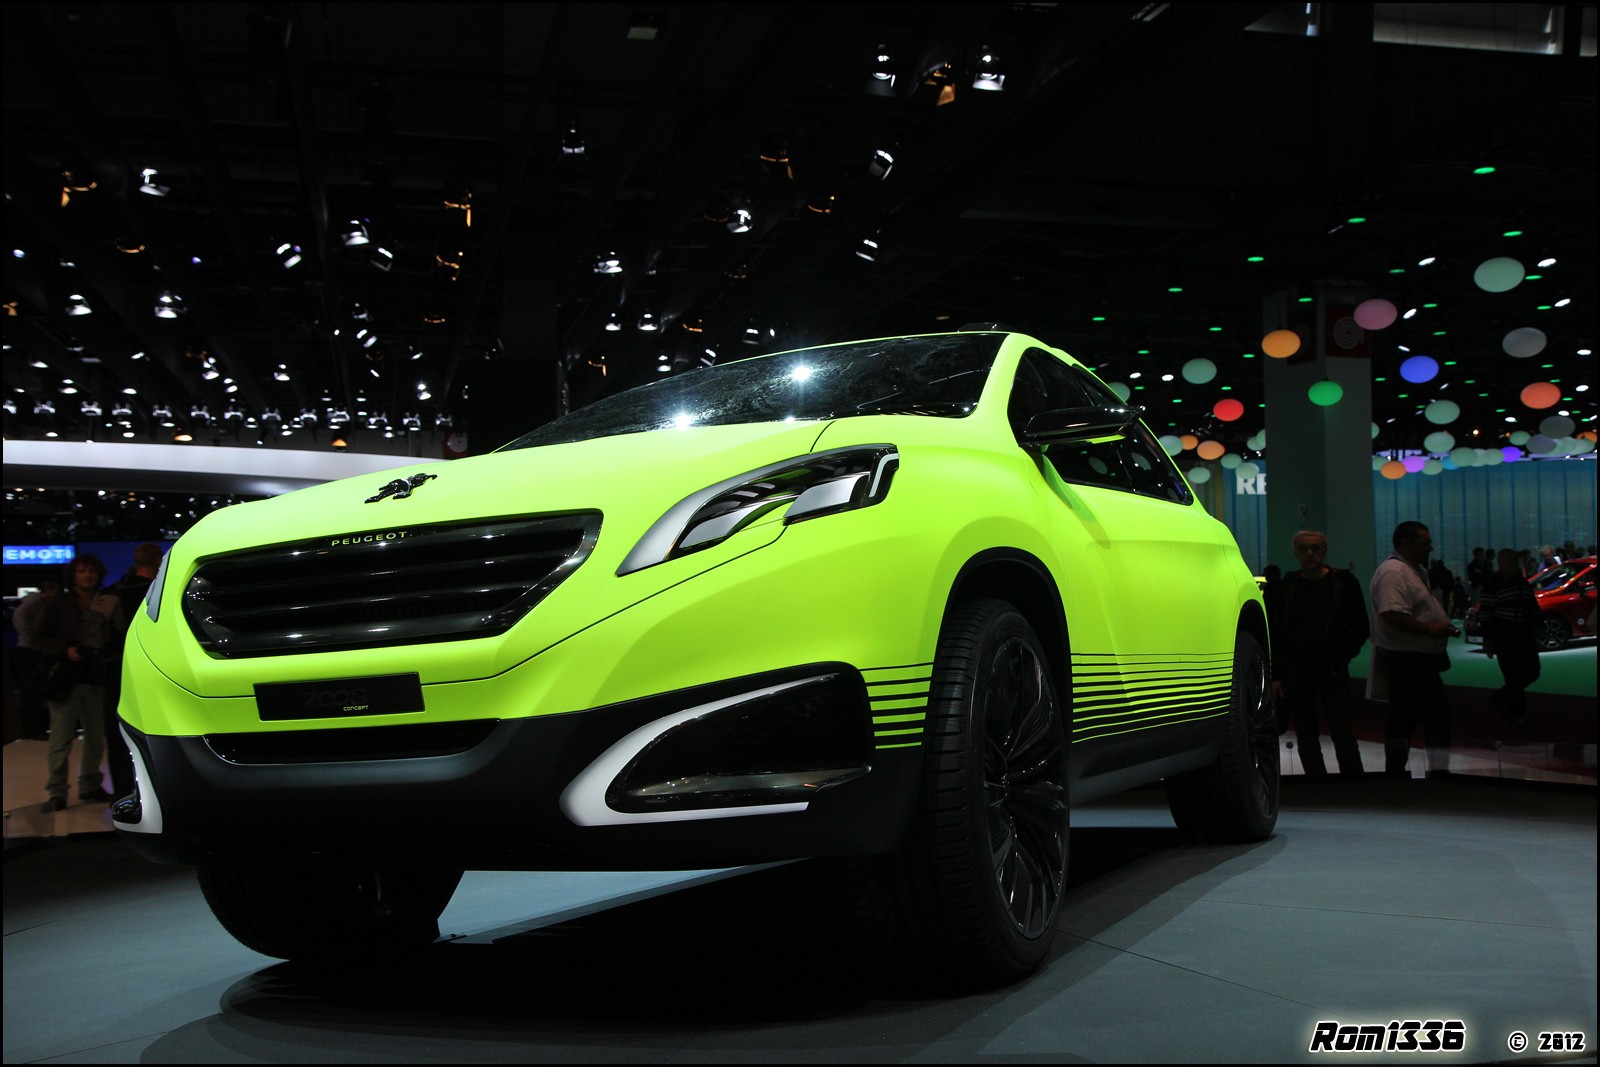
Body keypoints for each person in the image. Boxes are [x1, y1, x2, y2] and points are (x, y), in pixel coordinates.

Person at [1267, 530, 1369, 776]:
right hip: (1298, 670)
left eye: (1315, 548)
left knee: (1342, 731)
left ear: (1324, 550)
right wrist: (1277, 675)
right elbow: (1277, 632)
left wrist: (1342, 655)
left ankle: (1354, 782)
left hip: (1331, 668)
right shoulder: (1287, 587)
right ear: (1296, 553)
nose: (1310, 553)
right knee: (1306, 732)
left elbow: (1361, 626)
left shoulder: (1344, 583)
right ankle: (1317, 782)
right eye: (1304, 548)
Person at [32, 555, 126, 811]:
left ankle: (89, 785)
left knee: (96, 736)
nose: (87, 575)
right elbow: (38, 638)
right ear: (73, 575)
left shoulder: (106, 602)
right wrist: (65, 651)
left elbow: (118, 635)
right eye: (82, 571)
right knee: (61, 738)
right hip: (64, 677)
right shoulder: (58, 604)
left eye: (92, 571)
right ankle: (57, 791)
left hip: (94, 675)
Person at [1368, 521, 1458, 779]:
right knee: (1436, 715)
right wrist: (1430, 629)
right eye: (1425, 543)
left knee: (1403, 719)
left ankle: (1397, 773)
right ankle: (1437, 772)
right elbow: (1392, 614)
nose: (1430, 548)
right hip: (1408, 660)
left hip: (1410, 658)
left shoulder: (1408, 570)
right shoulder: (1394, 572)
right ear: (1405, 544)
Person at [104, 544, 163, 799]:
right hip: (145, 671)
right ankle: (150, 793)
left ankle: (121, 792)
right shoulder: (152, 594)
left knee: (117, 732)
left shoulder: (113, 591)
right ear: (159, 562)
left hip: (111, 670)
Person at [1479, 547, 1539, 731]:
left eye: (1514, 559)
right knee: (1514, 674)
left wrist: (1536, 622)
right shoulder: (1492, 584)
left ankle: (1501, 700)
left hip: (1524, 635)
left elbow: (1532, 605)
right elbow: (1485, 613)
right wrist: (1488, 639)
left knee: (1532, 671)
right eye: (1510, 559)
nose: (1514, 562)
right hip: (1505, 635)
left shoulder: (1521, 581)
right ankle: (1517, 714)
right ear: (1501, 561)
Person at [10, 578, 62, 739]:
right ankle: (33, 727)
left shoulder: (30, 605)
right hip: (30, 651)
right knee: (32, 690)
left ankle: (32, 726)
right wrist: (31, 638)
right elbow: (21, 619)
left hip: (27, 648)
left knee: (30, 691)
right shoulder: (37, 605)